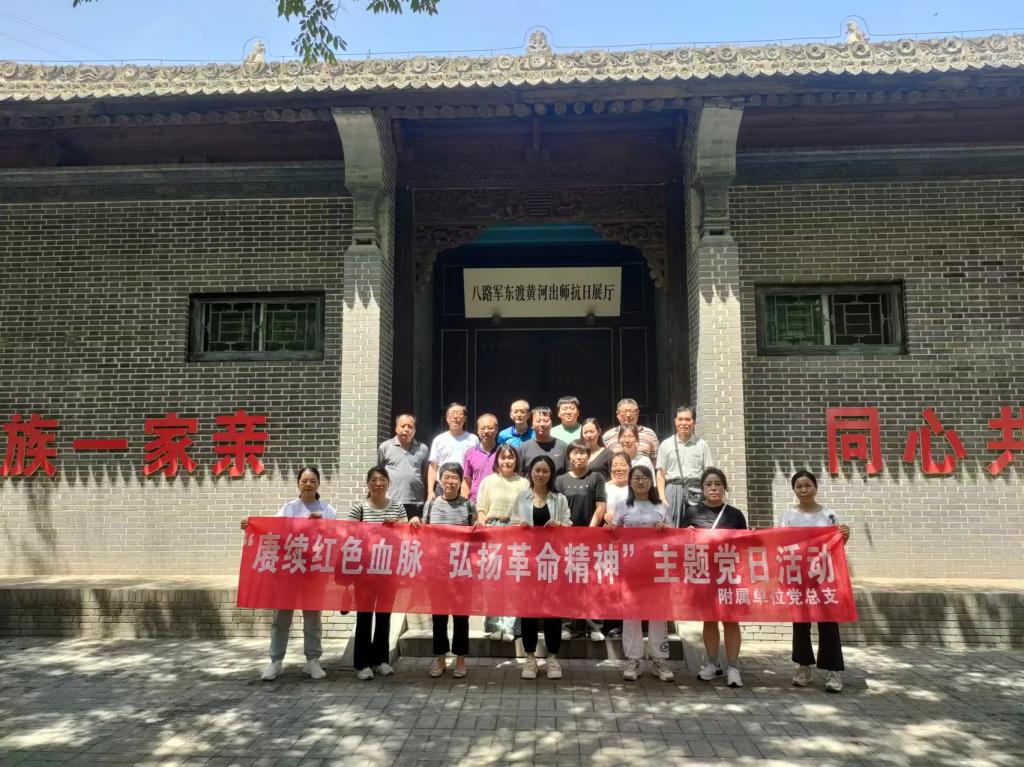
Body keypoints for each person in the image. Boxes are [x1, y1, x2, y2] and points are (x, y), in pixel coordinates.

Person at [242, 466, 337, 682]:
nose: (308, 484)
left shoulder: (328, 510)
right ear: (298, 484)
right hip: (289, 571)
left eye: (312, 481)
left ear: (318, 484)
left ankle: (312, 660)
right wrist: (251, 526)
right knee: (281, 619)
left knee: (313, 620)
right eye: (304, 480)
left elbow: (336, 538)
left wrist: (322, 526)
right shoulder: (288, 508)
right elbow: (271, 531)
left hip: (314, 573)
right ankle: (276, 661)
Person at [781, 469, 851, 693]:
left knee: (828, 623)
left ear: (815, 487)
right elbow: (781, 543)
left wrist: (845, 535)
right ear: (794, 490)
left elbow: (837, 546)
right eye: (799, 486)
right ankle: (803, 667)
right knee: (801, 624)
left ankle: (833, 670)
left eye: (807, 485)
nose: (804, 490)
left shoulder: (829, 515)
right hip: (799, 577)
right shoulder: (788, 516)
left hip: (824, 577)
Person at [680, 467, 749, 688]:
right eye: (709, 484)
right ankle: (712, 663)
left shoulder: (735, 514)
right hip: (704, 576)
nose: (713, 488)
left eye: (718, 484)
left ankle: (733, 667)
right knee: (709, 619)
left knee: (730, 620)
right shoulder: (692, 513)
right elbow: (682, 545)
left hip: (729, 575)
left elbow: (745, 546)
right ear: (702, 489)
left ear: (724, 488)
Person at [608, 465, 674, 682]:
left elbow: (674, 537)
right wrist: (612, 531)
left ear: (651, 481)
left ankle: (659, 660)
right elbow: (613, 537)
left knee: (658, 614)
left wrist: (666, 530)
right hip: (631, 569)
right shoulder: (622, 506)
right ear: (630, 481)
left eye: (645, 477)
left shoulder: (661, 506)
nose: (640, 481)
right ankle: (633, 659)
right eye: (636, 478)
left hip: (657, 568)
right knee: (631, 615)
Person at [411, 462, 475, 679]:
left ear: (460, 481)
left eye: (455, 478)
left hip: (461, 571)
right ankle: (440, 658)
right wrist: (415, 521)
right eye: (446, 477)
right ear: (439, 480)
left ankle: (460, 659)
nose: (450, 481)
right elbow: (423, 532)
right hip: (436, 571)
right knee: (438, 617)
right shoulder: (430, 505)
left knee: (461, 617)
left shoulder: (468, 506)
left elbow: (475, 537)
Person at [512, 455, 571, 680]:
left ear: (551, 474)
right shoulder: (522, 497)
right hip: (527, 562)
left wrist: (560, 525)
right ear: (530, 472)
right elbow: (512, 524)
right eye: (537, 470)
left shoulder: (559, 499)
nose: (541, 474)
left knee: (552, 610)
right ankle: (530, 657)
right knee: (528, 610)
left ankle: (553, 658)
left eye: (545, 471)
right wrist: (519, 527)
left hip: (552, 561)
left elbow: (570, 526)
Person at [347, 466, 407, 681]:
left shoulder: (398, 507)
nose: (378, 483)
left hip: (388, 571)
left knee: (384, 616)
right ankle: (362, 663)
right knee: (364, 616)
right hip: (364, 571)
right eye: (373, 479)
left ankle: (381, 660)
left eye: (382, 479)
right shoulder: (359, 508)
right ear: (368, 483)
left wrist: (396, 527)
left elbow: (406, 537)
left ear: (388, 483)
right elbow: (349, 535)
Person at [475, 445, 529, 642]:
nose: (507, 461)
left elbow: (527, 509)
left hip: (515, 530)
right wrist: (484, 529)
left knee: (513, 580)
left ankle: (510, 627)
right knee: (494, 579)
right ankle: (494, 626)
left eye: (510, 457)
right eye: (503, 457)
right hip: (493, 529)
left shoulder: (524, 483)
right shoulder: (488, 481)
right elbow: (481, 508)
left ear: (516, 460)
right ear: (497, 460)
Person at [556, 440, 607, 642]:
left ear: (589, 455)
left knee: (591, 582)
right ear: (569, 456)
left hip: (591, 539)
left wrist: (590, 532)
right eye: (575, 453)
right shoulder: (560, 480)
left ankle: (594, 626)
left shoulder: (596, 477)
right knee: (568, 583)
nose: (579, 457)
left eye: (583, 453)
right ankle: (570, 626)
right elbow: (557, 508)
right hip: (566, 540)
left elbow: (600, 507)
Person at [656, 406, 713, 527]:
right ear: (675, 421)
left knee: (697, 525)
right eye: (680, 419)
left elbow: (709, 473)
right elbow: (661, 474)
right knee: (672, 527)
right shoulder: (666, 445)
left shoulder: (702, 445)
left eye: (687, 419)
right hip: (673, 490)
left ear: (694, 422)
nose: (683, 423)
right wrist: (662, 497)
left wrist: (707, 495)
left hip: (696, 490)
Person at [378, 413, 430, 520]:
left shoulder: (423, 449)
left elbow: (426, 473)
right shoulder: (385, 447)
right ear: (396, 428)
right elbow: (379, 473)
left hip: (415, 502)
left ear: (414, 430)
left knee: (413, 530)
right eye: (403, 426)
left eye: (410, 427)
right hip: (391, 500)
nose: (406, 429)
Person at [426, 402, 480, 501]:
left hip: (465, 486)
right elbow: (433, 467)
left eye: (459, 413)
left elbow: (476, 466)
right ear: (447, 418)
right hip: (443, 487)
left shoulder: (473, 439)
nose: (455, 417)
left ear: (465, 419)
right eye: (452, 413)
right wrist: (430, 490)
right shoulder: (439, 439)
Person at [517, 406, 568, 476]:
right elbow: (519, 475)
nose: (542, 424)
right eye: (538, 421)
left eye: (546, 421)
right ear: (532, 424)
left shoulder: (563, 447)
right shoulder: (523, 448)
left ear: (551, 423)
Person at [462, 413, 499, 502]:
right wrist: (465, 503)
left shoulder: (503, 452)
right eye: (482, 428)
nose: (486, 431)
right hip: (476, 501)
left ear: (497, 429)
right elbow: (467, 480)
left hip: (498, 501)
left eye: (490, 428)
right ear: (477, 431)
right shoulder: (470, 453)